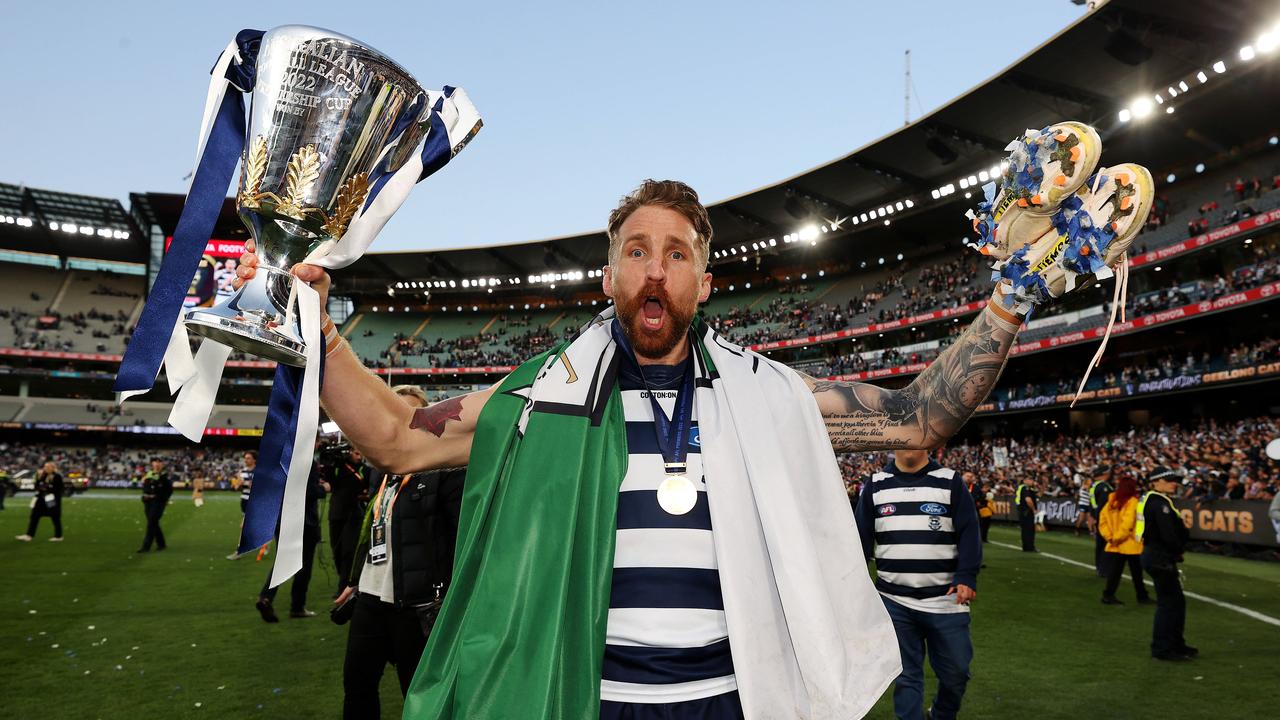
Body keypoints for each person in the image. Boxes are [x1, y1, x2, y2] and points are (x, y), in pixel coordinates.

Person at [235, 124, 1144, 716]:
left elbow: (913, 422)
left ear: (705, 283)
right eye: (636, 251)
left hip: (733, 699)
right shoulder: (540, 395)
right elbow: (393, 435)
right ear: (610, 278)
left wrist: (1011, 303)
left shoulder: (768, 392)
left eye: (676, 254)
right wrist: (316, 334)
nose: (655, 269)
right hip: (590, 700)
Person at [336, 385, 466, 720]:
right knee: (357, 685)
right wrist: (357, 579)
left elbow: (458, 539)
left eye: (412, 415)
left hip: (416, 605)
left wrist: (448, 597)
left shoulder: (447, 469)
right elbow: (377, 529)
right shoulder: (382, 471)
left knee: (418, 695)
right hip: (370, 598)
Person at [855, 449, 981, 720]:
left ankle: (941, 714)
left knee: (956, 672)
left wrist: (966, 576)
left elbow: (970, 530)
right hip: (894, 600)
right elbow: (860, 539)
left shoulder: (950, 481)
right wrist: (853, 582)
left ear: (929, 440)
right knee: (907, 677)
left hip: (946, 600)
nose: (910, 442)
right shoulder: (875, 483)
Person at [255, 459, 329, 622]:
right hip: (303, 521)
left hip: (280, 516)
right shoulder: (307, 460)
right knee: (304, 565)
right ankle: (297, 607)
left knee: (283, 560)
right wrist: (323, 488)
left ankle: (266, 597)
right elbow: (308, 492)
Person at [1139, 467, 1196, 661]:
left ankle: (1176, 644)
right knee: (1169, 604)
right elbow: (1168, 535)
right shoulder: (1159, 503)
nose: (1175, 483)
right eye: (1170, 480)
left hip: (1156, 555)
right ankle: (1163, 648)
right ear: (1156, 482)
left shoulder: (1153, 500)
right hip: (1160, 557)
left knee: (1175, 603)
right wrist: (1177, 550)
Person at [1098, 476, 1152, 606]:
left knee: (1115, 573)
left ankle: (1108, 595)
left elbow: (1102, 521)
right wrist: (1116, 538)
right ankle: (1142, 596)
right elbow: (1127, 525)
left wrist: (1110, 537)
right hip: (1129, 544)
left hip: (1116, 544)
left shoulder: (1111, 501)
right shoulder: (1132, 502)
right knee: (1136, 573)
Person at [330, 447, 369, 597]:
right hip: (336, 514)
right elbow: (331, 482)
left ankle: (344, 586)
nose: (359, 457)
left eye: (360, 453)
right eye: (356, 453)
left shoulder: (362, 469)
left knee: (348, 552)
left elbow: (365, 486)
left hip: (354, 515)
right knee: (337, 551)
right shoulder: (337, 468)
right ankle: (344, 581)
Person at [16, 461, 64, 542]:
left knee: (55, 517)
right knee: (34, 516)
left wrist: (47, 487)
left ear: (53, 468)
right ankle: (29, 535)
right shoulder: (43, 475)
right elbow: (37, 486)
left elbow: (58, 489)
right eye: (45, 467)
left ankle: (58, 536)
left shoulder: (57, 476)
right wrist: (38, 478)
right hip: (41, 499)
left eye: (48, 467)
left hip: (51, 500)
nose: (46, 468)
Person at [227, 451, 259, 560]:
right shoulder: (242, 472)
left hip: (255, 502)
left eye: (249, 458)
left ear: (254, 459)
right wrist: (237, 484)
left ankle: (239, 551)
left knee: (244, 526)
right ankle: (264, 542)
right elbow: (234, 488)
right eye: (245, 458)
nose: (246, 460)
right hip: (244, 501)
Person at [137, 458, 174, 553]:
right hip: (148, 502)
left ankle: (146, 546)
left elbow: (169, 490)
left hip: (158, 502)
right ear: (152, 464)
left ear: (162, 464)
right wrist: (145, 496)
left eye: (159, 462)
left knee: (151, 523)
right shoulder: (149, 475)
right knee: (153, 523)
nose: (157, 464)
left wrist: (164, 499)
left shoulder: (164, 476)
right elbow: (145, 487)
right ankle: (161, 544)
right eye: (155, 462)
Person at [1089, 465, 1114, 576]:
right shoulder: (1104, 487)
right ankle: (1104, 569)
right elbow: (1104, 506)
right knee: (1105, 544)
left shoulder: (1094, 485)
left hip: (1098, 518)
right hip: (1105, 519)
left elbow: (1093, 505)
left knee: (1100, 544)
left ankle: (1100, 567)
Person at [1015, 478, 1038, 552]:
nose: (1032, 481)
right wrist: (1034, 509)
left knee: (1025, 530)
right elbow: (1028, 500)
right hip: (1027, 512)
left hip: (1024, 512)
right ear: (1025, 481)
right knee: (1029, 530)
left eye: (1032, 480)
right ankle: (1029, 547)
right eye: (1030, 480)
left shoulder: (1029, 489)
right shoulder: (1026, 489)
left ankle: (1026, 546)